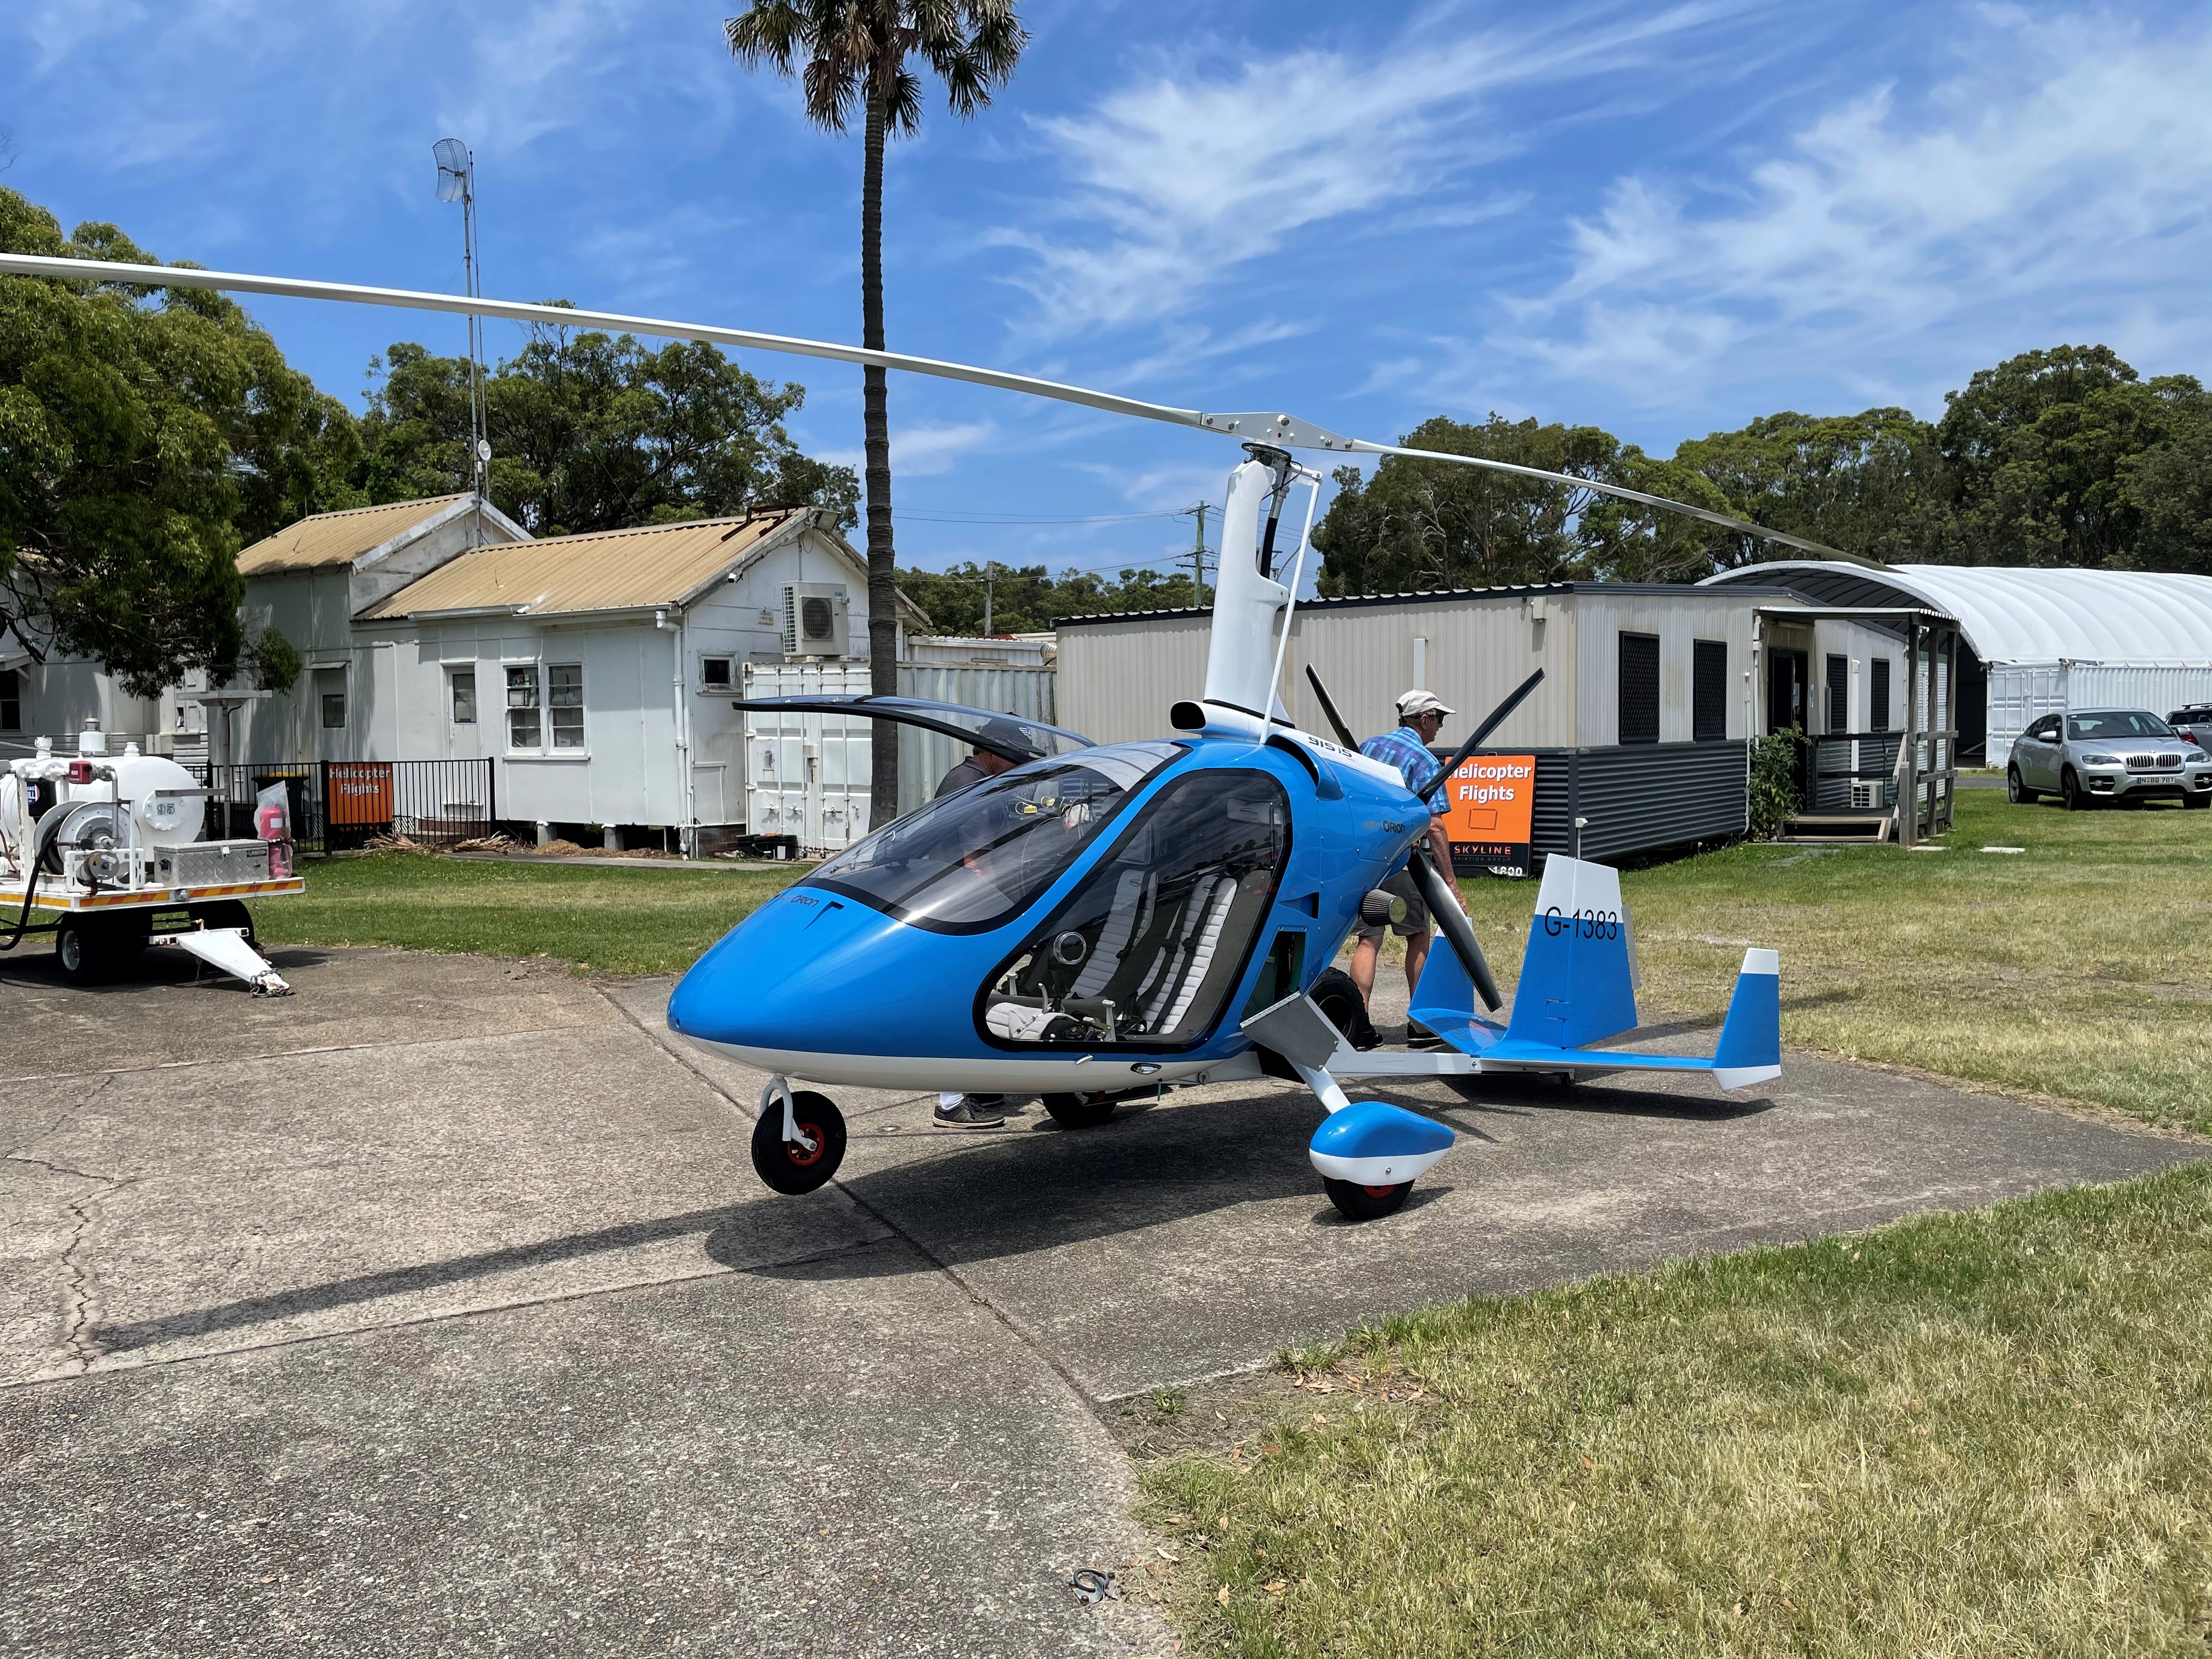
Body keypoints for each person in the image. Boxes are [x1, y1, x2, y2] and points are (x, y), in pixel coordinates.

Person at [1351, 689, 1471, 1047]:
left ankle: (1357, 1025)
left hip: (1365, 860)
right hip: (1404, 859)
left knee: (1368, 940)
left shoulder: (1367, 747)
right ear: (1424, 719)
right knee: (1417, 934)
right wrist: (1451, 883)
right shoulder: (1424, 760)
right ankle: (1420, 1026)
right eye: (1439, 719)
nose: (1440, 726)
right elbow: (1434, 825)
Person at [932, 719, 1036, 1129]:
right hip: (964, 905)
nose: (1018, 766)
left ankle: (978, 1086)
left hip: (946, 899)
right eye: (1014, 757)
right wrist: (1010, 908)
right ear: (991, 752)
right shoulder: (976, 786)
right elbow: (976, 862)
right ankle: (952, 1102)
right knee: (962, 1001)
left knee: (962, 997)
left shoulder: (961, 776)